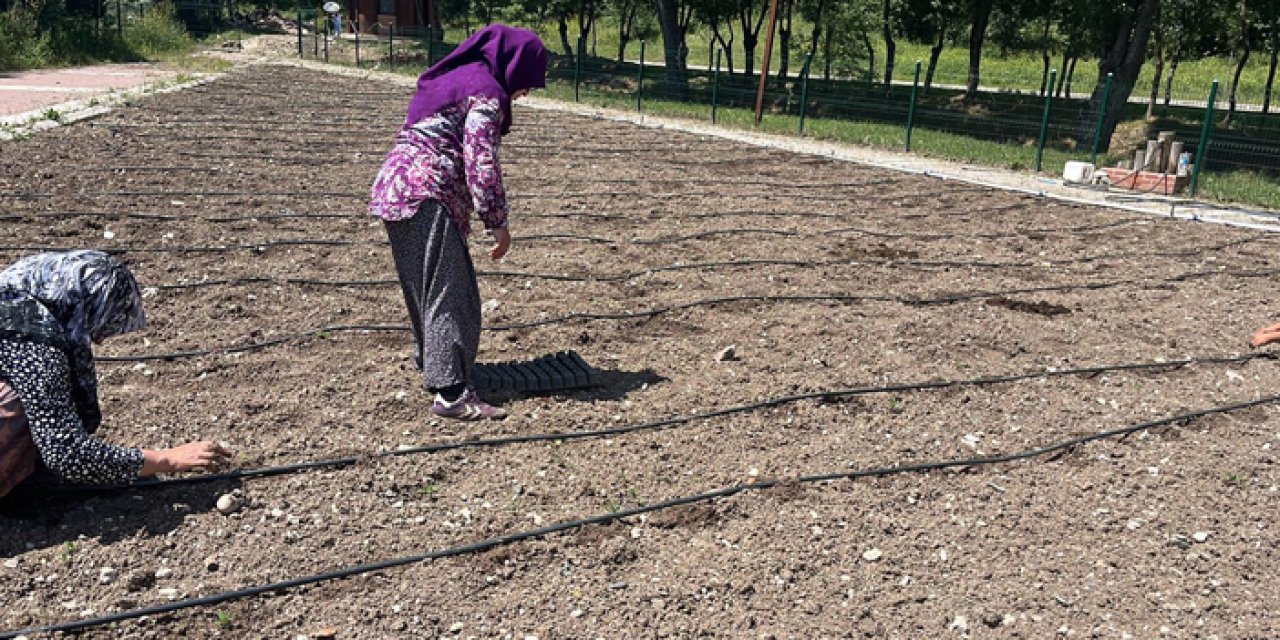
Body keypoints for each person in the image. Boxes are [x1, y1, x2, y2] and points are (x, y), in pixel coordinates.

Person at [369, 24, 547, 421]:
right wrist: (496, 219)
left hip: (395, 189)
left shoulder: (453, 78)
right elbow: (480, 158)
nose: (526, 92)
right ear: (513, 65)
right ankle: (452, 394)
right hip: (429, 192)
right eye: (528, 81)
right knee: (452, 293)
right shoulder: (486, 93)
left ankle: (436, 371)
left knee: (426, 288)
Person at [0, 250, 230, 498]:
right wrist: (167, 459)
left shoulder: (13, 299)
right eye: (101, 325)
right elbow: (67, 454)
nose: (97, 339)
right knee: (17, 404)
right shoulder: (32, 341)